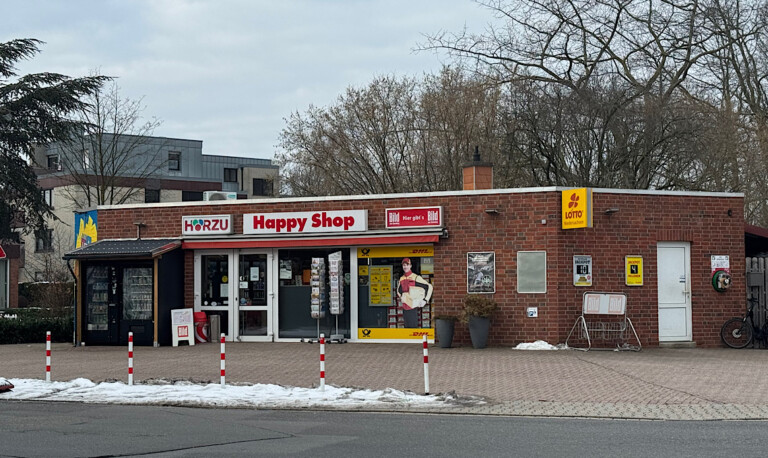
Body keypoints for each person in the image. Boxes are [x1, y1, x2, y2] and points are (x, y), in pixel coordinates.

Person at [396, 257, 434, 328]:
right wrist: (402, 297)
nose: (405, 267)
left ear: (410, 266)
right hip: (405, 307)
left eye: (407, 265)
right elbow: (398, 290)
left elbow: (429, 287)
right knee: (407, 329)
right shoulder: (401, 278)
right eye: (404, 265)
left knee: (413, 329)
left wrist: (425, 300)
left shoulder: (416, 277)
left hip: (413, 307)